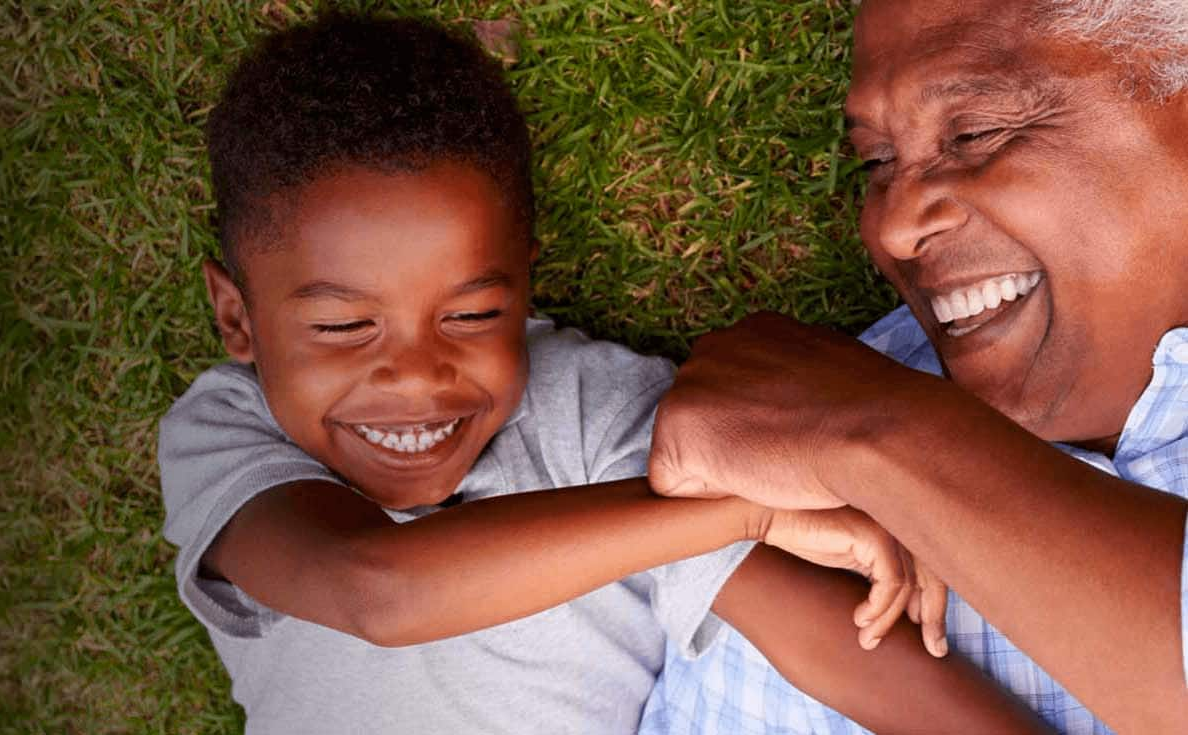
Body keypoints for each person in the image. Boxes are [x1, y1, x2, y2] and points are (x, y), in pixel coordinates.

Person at [158, 12, 1048, 735]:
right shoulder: (232, 435)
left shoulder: (590, 413)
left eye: (471, 315)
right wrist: (747, 507)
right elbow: (371, 587)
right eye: (344, 326)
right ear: (237, 318)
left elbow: (821, 635)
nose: (419, 375)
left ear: (524, 285)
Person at [643, 0, 1188, 733]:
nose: (894, 228)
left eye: (974, 133)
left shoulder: (824, 423)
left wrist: (873, 433)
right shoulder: (789, 441)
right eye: (878, 161)